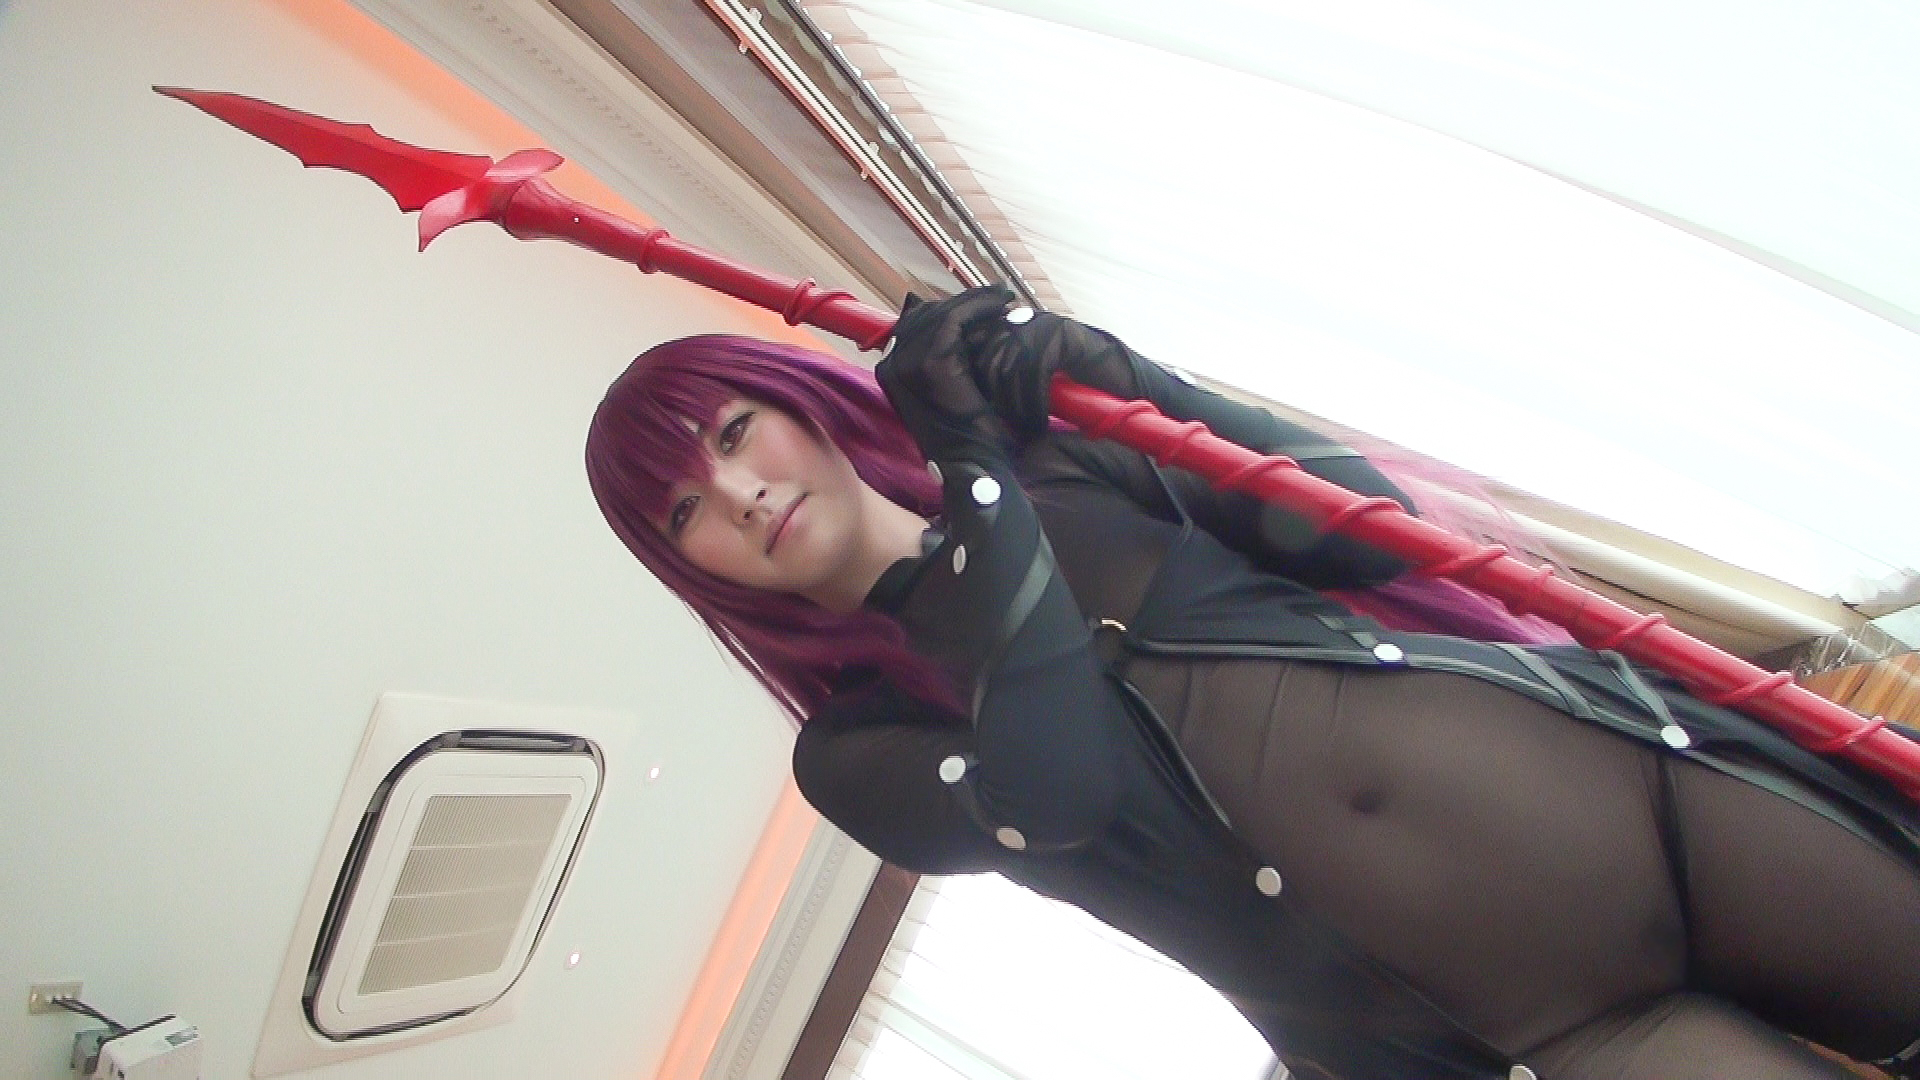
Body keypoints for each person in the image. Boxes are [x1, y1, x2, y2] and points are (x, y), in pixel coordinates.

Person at [586, 287, 1920, 1080]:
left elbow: (1362, 529)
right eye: (688, 508)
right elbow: (1060, 789)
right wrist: (976, 475)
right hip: (1549, 1028)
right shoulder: (856, 749)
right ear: (689, 567)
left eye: (734, 432)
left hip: (1640, 786)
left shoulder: (1056, 467)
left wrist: (1131, 381)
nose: (742, 492)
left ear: (796, 399)